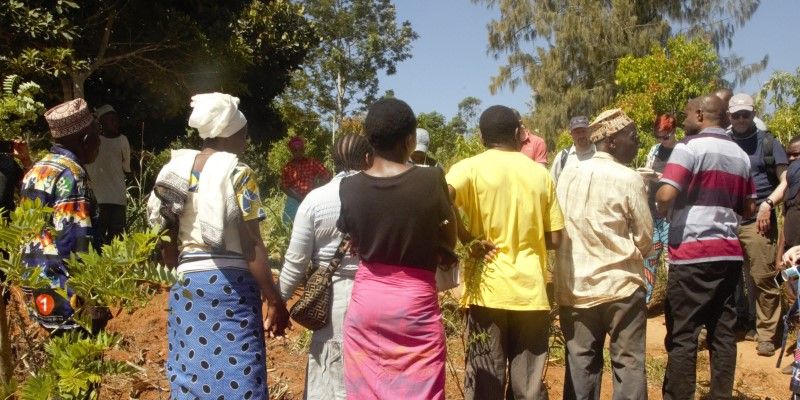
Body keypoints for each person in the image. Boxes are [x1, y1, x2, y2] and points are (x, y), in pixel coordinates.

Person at [147, 92, 288, 400]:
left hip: (186, 287)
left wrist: (178, 278)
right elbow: (252, 246)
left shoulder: (174, 172)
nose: (246, 140)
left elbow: (166, 243)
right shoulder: (238, 173)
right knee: (241, 374)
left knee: (191, 374)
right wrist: (274, 298)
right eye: (244, 133)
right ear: (230, 134)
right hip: (230, 289)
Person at [336, 98, 456, 400]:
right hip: (414, 305)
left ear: (370, 139)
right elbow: (450, 235)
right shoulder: (430, 179)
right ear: (409, 140)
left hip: (367, 303)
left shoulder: (349, 187)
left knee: (368, 388)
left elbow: (355, 239)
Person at [447, 105, 564, 400]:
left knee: (487, 381)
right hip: (530, 292)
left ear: (481, 136)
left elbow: (438, 198)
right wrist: (529, 238)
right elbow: (557, 238)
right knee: (529, 386)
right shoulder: (540, 175)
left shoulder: (469, 168)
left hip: (488, 292)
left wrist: (467, 238)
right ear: (517, 134)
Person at [656, 95, 755, 399]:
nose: (683, 119)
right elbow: (749, 207)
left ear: (699, 114)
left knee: (684, 334)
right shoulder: (740, 155)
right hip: (727, 253)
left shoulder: (689, 148)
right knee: (723, 332)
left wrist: (659, 194)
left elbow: (665, 196)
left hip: (692, 253)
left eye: (686, 113)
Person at [556, 108, 652, 400]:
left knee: (581, 363)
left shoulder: (566, 176)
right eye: (631, 136)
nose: (636, 142)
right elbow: (645, 237)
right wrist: (627, 254)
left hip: (575, 289)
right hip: (621, 287)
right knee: (629, 363)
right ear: (611, 140)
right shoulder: (629, 178)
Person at [279, 133, 372, 400]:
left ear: (332, 161)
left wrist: (278, 301)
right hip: (377, 293)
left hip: (333, 300)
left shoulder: (315, 200)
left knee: (332, 371)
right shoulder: (384, 197)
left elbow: (295, 263)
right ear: (368, 158)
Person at [19, 98, 101, 332]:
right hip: (64, 291)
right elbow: (75, 241)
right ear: (86, 140)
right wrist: (86, 295)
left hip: (35, 284)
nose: (100, 143)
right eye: (97, 135)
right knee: (78, 361)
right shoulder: (72, 174)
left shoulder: (37, 169)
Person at [728, 92, 788, 356]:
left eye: (746, 114)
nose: (741, 119)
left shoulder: (768, 143)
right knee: (725, 278)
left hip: (758, 218)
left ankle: (766, 333)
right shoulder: (724, 141)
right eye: (736, 115)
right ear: (729, 116)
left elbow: (785, 180)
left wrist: (768, 205)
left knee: (762, 277)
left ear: (753, 114)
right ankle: (729, 325)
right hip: (727, 220)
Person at [640, 114, 678, 304]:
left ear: (674, 132)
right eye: (658, 136)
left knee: (671, 260)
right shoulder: (655, 151)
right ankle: (645, 301)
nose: (662, 141)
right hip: (652, 213)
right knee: (649, 257)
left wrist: (660, 176)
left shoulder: (681, 152)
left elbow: (682, 181)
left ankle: (673, 303)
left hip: (672, 214)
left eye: (665, 136)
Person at [85, 104, 131, 245]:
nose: (114, 123)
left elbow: (126, 167)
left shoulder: (122, 140)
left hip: (117, 198)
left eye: (115, 119)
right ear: (101, 122)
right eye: (110, 120)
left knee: (117, 240)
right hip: (98, 199)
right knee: (96, 239)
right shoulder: (93, 141)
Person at [280, 136, 331, 225]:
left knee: (313, 224)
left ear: (303, 150)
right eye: (295, 150)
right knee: (288, 224)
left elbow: (328, 175)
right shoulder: (287, 167)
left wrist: (317, 187)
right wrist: (297, 197)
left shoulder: (312, 162)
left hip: (312, 198)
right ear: (291, 151)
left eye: (301, 150)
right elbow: (284, 186)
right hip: (293, 199)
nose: (298, 153)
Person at [550, 115, 596, 183]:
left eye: (583, 131)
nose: (581, 136)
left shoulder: (599, 152)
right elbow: (552, 183)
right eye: (577, 132)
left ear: (589, 131)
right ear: (571, 134)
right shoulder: (562, 157)